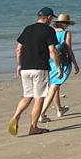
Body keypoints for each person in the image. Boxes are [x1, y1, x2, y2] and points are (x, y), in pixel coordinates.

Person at [9, 7, 60, 136]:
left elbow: (18, 49)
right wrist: (58, 67)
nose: (51, 20)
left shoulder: (28, 29)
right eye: (51, 18)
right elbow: (52, 50)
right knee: (39, 98)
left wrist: (19, 65)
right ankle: (33, 127)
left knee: (27, 96)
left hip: (25, 68)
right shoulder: (49, 31)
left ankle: (16, 116)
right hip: (40, 67)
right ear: (48, 17)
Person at [40, 13, 79, 121]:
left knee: (55, 85)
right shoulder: (66, 33)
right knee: (54, 87)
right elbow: (69, 50)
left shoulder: (50, 32)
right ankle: (42, 113)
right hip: (63, 62)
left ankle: (59, 109)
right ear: (66, 24)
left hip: (50, 61)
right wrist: (75, 64)